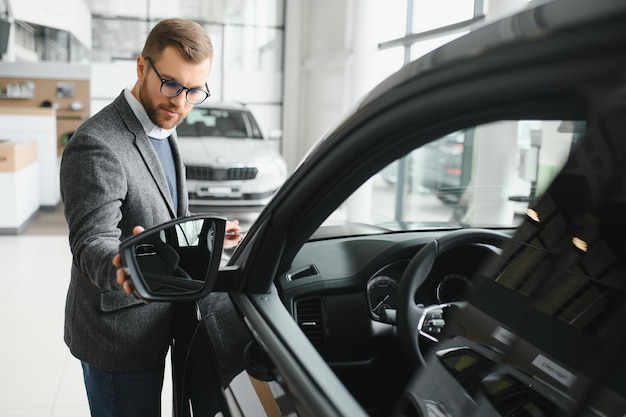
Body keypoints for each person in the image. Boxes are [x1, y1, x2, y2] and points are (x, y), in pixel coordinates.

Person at [60, 18, 241, 416]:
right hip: (117, 333)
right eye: (172, 84)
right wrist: (122, 265)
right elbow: (91, 242)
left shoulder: (163, 127)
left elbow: (168, 214)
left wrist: (204, 235)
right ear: (142, 67)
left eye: (195, 91)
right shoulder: (97, 143)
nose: (181, 101)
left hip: (161, 318)